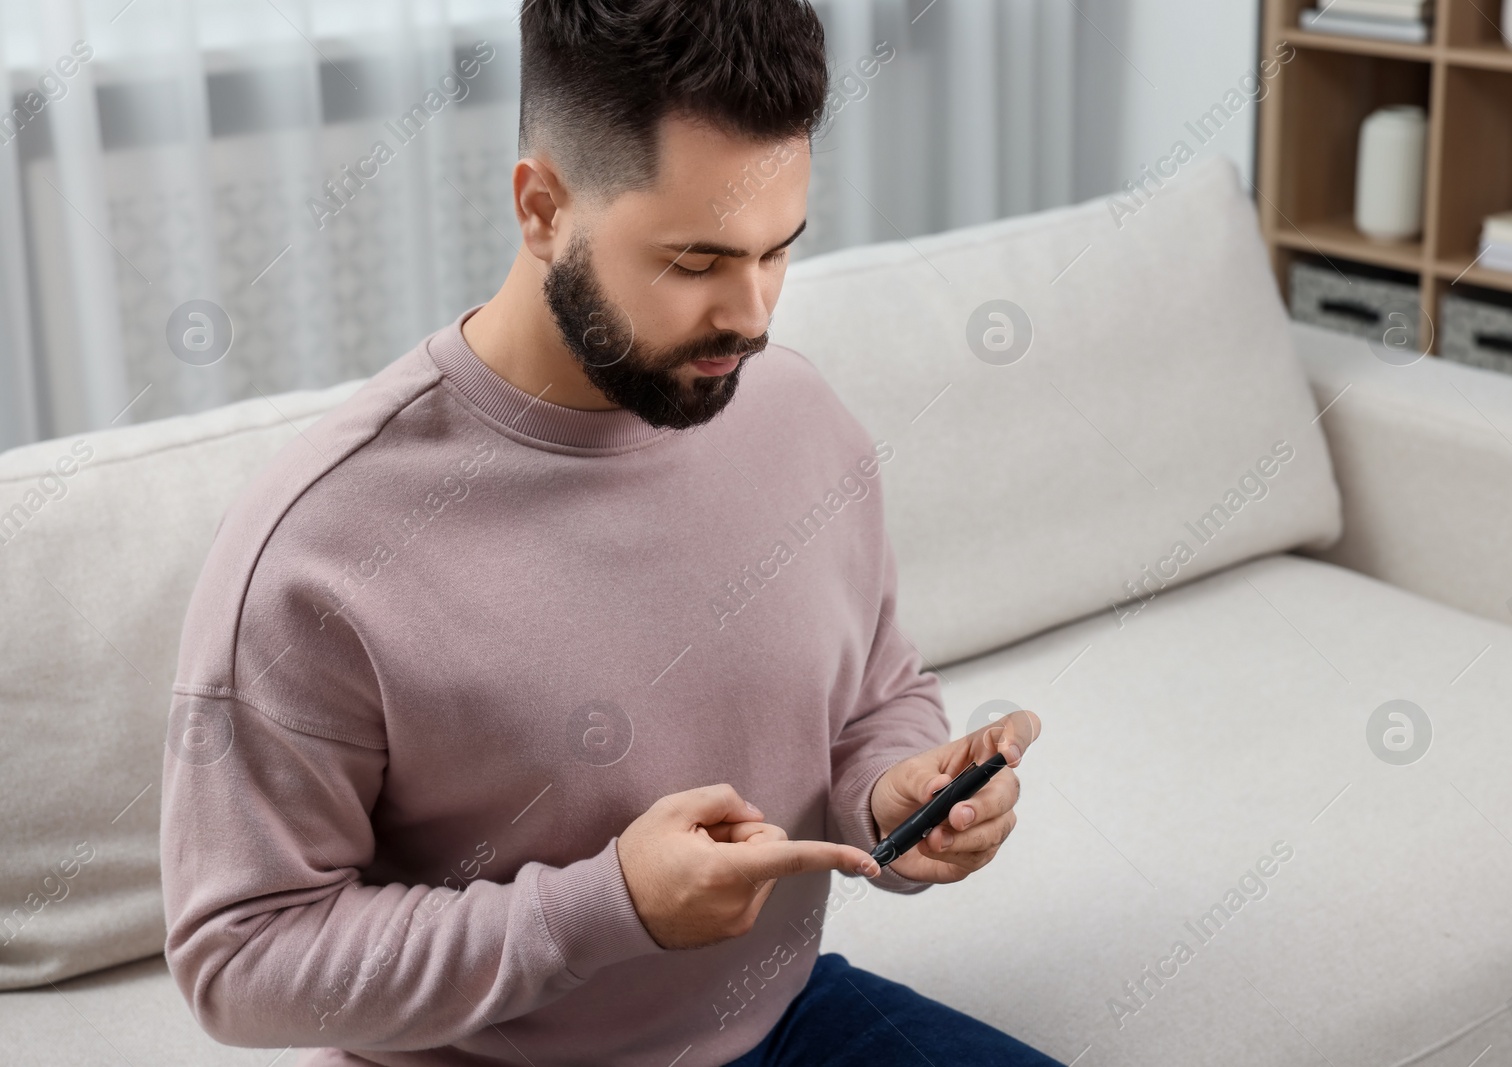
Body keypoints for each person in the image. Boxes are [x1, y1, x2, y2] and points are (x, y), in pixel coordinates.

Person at [159, 2, 1054, 1064]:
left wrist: (894, 792)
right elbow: (241, 961)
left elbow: (874, 687)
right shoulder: (318, 552)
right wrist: (603, 908)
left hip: (785, 1016)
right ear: (540, 207)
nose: (755, 314)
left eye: (778, 250)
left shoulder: (800, 417)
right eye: (695, 262)